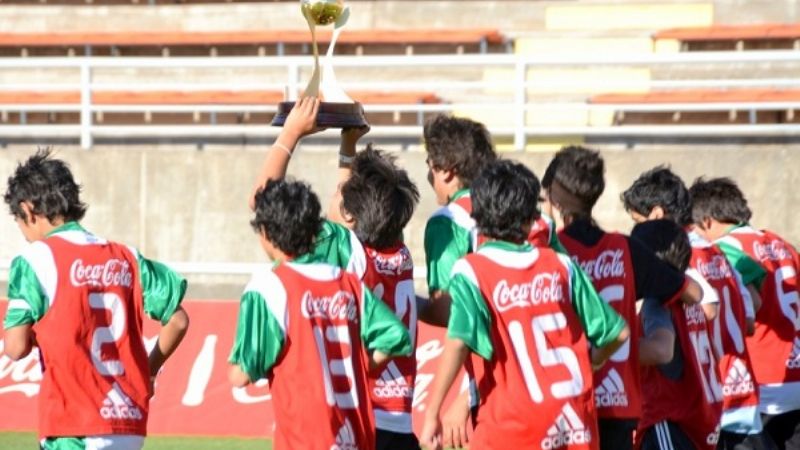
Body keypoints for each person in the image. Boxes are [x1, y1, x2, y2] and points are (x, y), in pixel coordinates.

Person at [246, 96, 422, 449]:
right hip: (400, 424)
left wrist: (290, 135)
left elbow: (262, 203)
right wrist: (348, 149)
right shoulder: (398, 251)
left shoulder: (343, 249)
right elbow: (346, 213)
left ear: (348, 216)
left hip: (359, 419)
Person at [419, 159, 630, 450]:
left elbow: (458, 341)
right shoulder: (561, 264)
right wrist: (594, 360)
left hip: (513, 425)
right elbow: (618, 333)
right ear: (531, 218)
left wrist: (432, 412)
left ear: (478, 214)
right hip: (574, 423)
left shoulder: (473, 270)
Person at [3, 149, 190, 450]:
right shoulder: (127, 256)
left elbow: (15, 347)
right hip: (128, 425)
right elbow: (178, 321)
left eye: (19, 222)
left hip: (73, 426)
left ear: (28, 209)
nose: (24, 234)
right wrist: (150, 370)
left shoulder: (36, 259)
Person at [228, 177, 412, 450]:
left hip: (307, 439)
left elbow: (241, 375)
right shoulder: (347, 283)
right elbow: (397, 336)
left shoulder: (269, 285)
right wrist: (359, 364)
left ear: (265, 233)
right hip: (358, 438)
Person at [542, 146, 704, 450]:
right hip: (619, 402)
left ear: (555, 196)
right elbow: (693, 293)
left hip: (571, 400)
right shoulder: (624, 248)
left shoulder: (551, 254)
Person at [622, 167, 770, 449]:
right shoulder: (722, 253)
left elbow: (706, 306)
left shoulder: (674, 281)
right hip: (724, 398)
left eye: (635, 221)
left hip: (690, 405)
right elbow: (748, 312)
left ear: (655, 215)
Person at [690, 177, 800, 450]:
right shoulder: (781, 244)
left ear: (707, 222)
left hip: (765, 388)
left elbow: (752, 301)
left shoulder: (728, 248)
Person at [631, 220, 723, 450]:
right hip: (699, 418)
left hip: (668, 420)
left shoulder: (657, 303)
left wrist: (611, 349)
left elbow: (661, 351)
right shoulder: (691, 301)